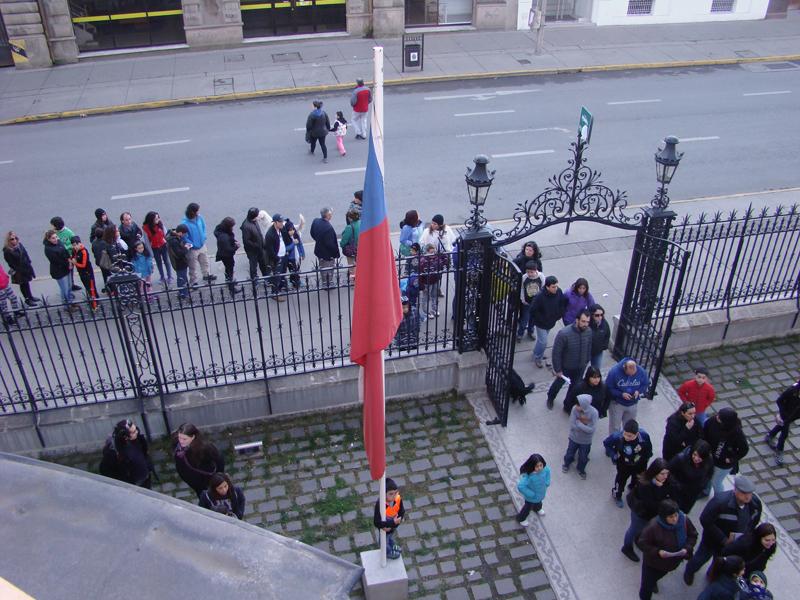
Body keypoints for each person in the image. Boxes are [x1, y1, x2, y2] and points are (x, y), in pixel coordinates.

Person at [683, 475, 762, 586]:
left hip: (733, 544)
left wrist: (746, 536)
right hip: (712, 540)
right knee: (700, 558)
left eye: (750, 493)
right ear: (735, 490)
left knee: (720, 562)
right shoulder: (720, 502)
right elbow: (705, 520)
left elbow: (754, 521)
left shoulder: (755, 504)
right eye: (744, 493)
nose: (748, 497)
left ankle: (711, 575)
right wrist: (723, 539)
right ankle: (690, 571)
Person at [637, 499, 698, 600]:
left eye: (676, 515)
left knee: (657, 576)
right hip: (653, 563)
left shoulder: (684, 520)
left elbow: (693, 535)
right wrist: (657, 551)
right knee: (646, 587)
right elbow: (642, 543)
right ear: (663, 517)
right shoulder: (653, 526)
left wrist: (687, 547)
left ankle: (653, 582)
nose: (675, 519)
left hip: (671, 563)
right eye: (671, 517)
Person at [622, 458, 679, 563]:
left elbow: (674, 493)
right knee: (634, 529)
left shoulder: (667, 481)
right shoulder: (644, 484)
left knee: (643, 529)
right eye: (662, 474)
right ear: (655, 472)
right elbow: (650, 504)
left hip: (653, 514)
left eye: (667, 473)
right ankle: (627, 547)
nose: (665, 476)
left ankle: (638, 539)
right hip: (641, 513)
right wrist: (661, 491)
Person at [546, 309, 591, 410]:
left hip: (580, 366)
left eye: (587, 322)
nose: (585, 324)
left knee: (575, 387)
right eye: (583, 321)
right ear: (577, 320)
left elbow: (589, 346)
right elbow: (556, 353)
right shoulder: (564, 334)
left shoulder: (588, 331)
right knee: (558, 384)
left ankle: (568, 405)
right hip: (566, 366)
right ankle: (550, 397)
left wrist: (586, 360)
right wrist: (558, 369)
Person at [603, 419, 653, 508]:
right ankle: (617, 495)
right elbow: (606, 443)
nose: (626, 437)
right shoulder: (617, 436)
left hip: (640, 464)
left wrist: (646, 459)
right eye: (625, 434)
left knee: (638, 480)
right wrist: (613, 455)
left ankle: (632, 488)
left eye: (630, 436)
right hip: (623, 465)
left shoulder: (644, 436)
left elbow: (648, 449)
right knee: (620, 481)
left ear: (637, 434)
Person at [703, 407, 749, 497]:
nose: (717, 417)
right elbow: (704, 432)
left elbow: (744, 449)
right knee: (707, 475)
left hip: (723, 463)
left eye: (720, 417)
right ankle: (706, 491)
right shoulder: (713, 421)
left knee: (716, 482)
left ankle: (720, 498)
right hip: (710, 456)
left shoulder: (736, 432)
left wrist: (732, 459)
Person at [173, 422, 225, 497]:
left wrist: (219, 477)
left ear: (193, 437)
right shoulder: (178, 448)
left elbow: (219, 460)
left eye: (184, 439)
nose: (181, 441)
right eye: (179, 438)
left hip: (208, 482)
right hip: (196, 485)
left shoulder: (205, 447)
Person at [98, 419, 154, 488]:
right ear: (125, 437)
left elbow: (144, 454)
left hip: (145, 479)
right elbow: (105, 471)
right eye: (134, 432)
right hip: (133, 485)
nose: (137, 432)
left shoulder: (137, 439)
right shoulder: (113, 452)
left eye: (136, 429)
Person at [530, 275, 567, 368]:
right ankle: (537, 357)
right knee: (543, 341)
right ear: (547, 287)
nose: (555, 289)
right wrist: (541, 319)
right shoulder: (540, 296)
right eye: (553, 287)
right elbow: (533, 310)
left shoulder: (559, 292)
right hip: (541, 324)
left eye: (556, 286)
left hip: (551, 322)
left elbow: (562, 303)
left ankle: (537, 352)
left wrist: (559, 315)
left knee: (541, 341)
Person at [606, 357, 650, 436]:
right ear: (624, 368)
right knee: (615, 427)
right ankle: (614, 442)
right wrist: (621, 394)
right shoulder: (614, 372)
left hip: (633, 404)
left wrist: (638, 391)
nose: (631, 375)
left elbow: (645, 384)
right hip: (617, 403)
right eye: (629, 374)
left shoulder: (641, 371)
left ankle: (626, 441)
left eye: (633, 374)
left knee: (629, 428)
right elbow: (609, 388)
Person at [668, 440, 714, 513]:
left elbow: (710, 473)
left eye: (700, 457)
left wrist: (703, 485)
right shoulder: (681, 458)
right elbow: (668, 471)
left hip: (693, 493)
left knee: (685, 510)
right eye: (695, 454)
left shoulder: (709, 460)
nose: (696, 458)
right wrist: (677, 485)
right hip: (679, 492)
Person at [764, 377, 800, 466]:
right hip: (786, 414)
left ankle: (770, 435)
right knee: (784, 434)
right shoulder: (792, 391)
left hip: (795, 415)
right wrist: (781, 413)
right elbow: (779, 401)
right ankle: (779, 451)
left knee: (781, 425)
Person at [562, 394, 598, 480]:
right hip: (574, 438)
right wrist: (585, 427)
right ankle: (566, 464)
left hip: (586, 441)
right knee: (569, 453)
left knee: (583, 457)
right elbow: (572, 425)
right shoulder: (574, 409)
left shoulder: (594, 413)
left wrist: (579, 424)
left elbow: (591, 430)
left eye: (578, 405)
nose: (576, 407)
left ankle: (581, 469)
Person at [43, 229, 77, 310]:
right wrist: (68, 264)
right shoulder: (48, 249)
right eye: (53, 238)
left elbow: (65, 252)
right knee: (64, 289)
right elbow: (57, 260)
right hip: (59, 271)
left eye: (56, 237)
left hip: (66, 267)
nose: (55, 239)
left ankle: (70, 301)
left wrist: (69, 261)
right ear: (48, 239)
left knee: (69, 286)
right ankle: (66, 305)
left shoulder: (59, 242)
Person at [181, 202, 215, 285]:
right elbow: (184, 237)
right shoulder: (184, 224)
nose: (198, 212)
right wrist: (192, 244)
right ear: (193, 212)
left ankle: (206, 275)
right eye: (197, 211)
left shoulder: (199, 218)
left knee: (205, 262)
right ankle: (193, 281)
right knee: (193, 266)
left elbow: (203, 227)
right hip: (192, 249)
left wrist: (204, 237)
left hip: (202, 245)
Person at [3, 231, 39, 307]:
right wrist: (19, 269)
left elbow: (25, 254)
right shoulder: (7, 250)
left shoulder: (19, 245)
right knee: (23, 284)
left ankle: (30, 296)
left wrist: (29, 263)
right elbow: (10, 262)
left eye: (15, 238)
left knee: (27, 283)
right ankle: (27, 299)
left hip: (26, 267)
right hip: (19, 270)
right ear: (8, 240)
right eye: (12, 239)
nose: (14, 240)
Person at [374, 477, 405, 559]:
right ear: (383, 494)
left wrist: (399, 519)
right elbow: (377, 522)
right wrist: (391, 523)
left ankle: (392, 546)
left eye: (395, 493)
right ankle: (387, 552)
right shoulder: (380, 505)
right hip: (385, 528)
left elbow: (402, 511)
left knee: (390, 538)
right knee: (384, 542)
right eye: (391, 494)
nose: (394, 496)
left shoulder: (397, 499)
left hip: (392, 527)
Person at [515, 453, 551, 524]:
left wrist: (547, 482)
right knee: (527, 509)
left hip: (540, 494)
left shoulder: (545, 469)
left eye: (541, 465)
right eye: (537, 466)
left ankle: (537, 509)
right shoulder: (529, 476)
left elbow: (548, 472)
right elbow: (521, 486)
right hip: (531, 498)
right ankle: (521, 518)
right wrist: (531, 494)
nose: (540, 468)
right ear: (532, 466)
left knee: (539, 503)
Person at [310, 207, 340, 287]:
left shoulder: (316, 221)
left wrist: (318, 241)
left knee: (322, 267)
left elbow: (312, 233)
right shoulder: (328, 228)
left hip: (319, 250)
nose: (331, 215)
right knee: (328, 269)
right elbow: (331, 244)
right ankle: (328, 284)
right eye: (330, 214)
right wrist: (335, 253)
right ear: (328, 215)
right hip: (328, 254)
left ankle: (324, 282)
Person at [418, 243, 449, 320]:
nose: (433, 254)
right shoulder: (423, 261)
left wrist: (444, 255)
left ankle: (434, 309)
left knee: (434, 296)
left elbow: (445, 263)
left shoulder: (437, 258)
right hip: (426, 282)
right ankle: (426, 312)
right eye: (431, 252)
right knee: (426, 298)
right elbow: (420, 274)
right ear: (427, 252)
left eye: (434, 252)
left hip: (435, 280)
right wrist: (421, 285)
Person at [50, 216, 81, 292]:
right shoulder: (53, 233)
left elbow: (75, 242)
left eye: (53, 225)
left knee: (70, 271)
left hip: (69, 255)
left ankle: (71, 284)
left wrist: (65, 247)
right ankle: (67, 286)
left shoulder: (68, 232)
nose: (52, 227)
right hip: (60, 256)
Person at [517, 260, 545, 342]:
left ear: (536, 270)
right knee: (524, 320)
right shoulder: (524, 277)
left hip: (536, 303)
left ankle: (531, 331)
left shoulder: (541, 276)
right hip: (527, 303)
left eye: (531, 272)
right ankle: (520, 333)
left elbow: (543, 288)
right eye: (528, 272)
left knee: (533, 319)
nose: (529, 274)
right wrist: (523, 299)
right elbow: (522, 289)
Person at [264, 213, 290, 300]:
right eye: (280, 222)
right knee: (276, 276)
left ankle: (281, 287)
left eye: (282, 221)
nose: (282, 223)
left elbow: (286, 240)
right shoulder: (270, 234)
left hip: (284, 256)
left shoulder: (282, 229)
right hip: (277, 259)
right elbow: (270, 251)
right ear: (275, 222)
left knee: (283, 273)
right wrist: (277, 259)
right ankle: (275, 294)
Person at [143, 211, 172, 285]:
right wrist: (151, 252)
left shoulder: (160, 224)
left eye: (158, 218)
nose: (158, 219)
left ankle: (170, 276)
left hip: (163, 245)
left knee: (167, 261)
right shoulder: (146, 228)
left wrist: (167, 243)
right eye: (156, 219)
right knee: (159, 262)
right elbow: (147, 242)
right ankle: (162, 277)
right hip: (154, 247)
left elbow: (166, 234)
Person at [214, 217, 241, 294]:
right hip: (227, 255)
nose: (232, 228)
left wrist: (233, 241)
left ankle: (228, 280)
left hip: (223, 254)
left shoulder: (220, 230)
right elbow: (229, 249)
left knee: (228, 268)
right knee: (230, 269)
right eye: (232, 226)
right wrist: (236, 247)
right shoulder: (224, 237)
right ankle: (231, 287)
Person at [71, 236, 98, 309]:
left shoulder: (83, 251)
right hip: (81, 272)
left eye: (75, 245)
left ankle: (95, 303)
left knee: (91, 287)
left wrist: (75, 263)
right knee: (87, 287)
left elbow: (83, 265)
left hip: (87, 272)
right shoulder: (74, 250)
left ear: (79, 243)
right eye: (73, 245)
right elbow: (73, 257)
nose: (74, 247)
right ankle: (91, 300)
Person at [240, 207, 268, 280]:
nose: (258, 216)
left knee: (263, 264)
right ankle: (254, 280)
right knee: (253, 266)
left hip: (260, 248)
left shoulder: (254, 221)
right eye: (257, 215)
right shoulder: (246, 226)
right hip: (252, 251)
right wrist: (256, 245)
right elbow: (246, 241)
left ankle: (266, 278)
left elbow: (259, 233)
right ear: (254, 217)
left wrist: (263, 243)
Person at [166, 224, 191, 298]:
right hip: (179, 263)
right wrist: (186, 248)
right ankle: (183, 294)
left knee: (182, 277)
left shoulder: (174, 237)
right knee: (182, 278)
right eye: (184, 234)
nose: (185, 235)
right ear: (180, 233)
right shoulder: (174, 241)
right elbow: (179, 253)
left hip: (179, 262)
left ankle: (183, 291)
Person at [284, 216, 305, 289]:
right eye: (290, 230)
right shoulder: (285, 238)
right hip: (291, 257)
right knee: (293, 270)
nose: (292, 231)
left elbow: (300, 244)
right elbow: (286, 248)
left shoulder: (296, 235)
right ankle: (296, 282)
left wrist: (302, 253)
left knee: (297, 269)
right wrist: (293, 243)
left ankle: (294, 281)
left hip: (297, 256)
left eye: (293, 229)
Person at [588, 303, 611, 370]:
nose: (600, 317)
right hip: (586, 352)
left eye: (601, 315)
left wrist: (604, 346)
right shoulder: (587, 324)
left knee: (596, 370)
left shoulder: (604, 323)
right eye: (597, 315)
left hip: (598, 352)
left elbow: (607, 334)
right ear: (592, 315)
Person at [340, 210, 360, 281]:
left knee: (352, 266)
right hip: (361, 248)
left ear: (350, 218)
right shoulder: (361, 223)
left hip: (352, 249)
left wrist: (341, 244)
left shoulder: (349, 227)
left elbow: (344, 241)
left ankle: (354, 281)